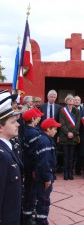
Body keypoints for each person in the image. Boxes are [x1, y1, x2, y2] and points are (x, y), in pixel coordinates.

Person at [0, 89, 22, 225]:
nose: (18, 124)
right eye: (13, 122)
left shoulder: (9, 147)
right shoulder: (1, 156)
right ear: (1, 128)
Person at [34, 118, 61, 225]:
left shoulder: (44, 139)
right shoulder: (45, 142)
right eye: (54, 129)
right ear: (48, 129)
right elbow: (45, 162)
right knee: (44, 201)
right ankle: (41, 221)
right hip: (44, 177)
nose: (56, 131)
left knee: (42, 199)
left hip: (41, 175)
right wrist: (47, 178)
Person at [22, 108, 43, 225]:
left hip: (29, 166)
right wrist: (36, 169)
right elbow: (35, 154)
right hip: (32, 168)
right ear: (33, 119)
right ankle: (27, 216)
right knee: (31, 191)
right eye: (37, 117)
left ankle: (29, 212)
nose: (39, 119)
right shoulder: (33, 133)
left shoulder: (30, 131)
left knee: (30, 190)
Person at [59, 94, 80, 180]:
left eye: (72, 99)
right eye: (69, 99)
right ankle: (66, 173)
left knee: (72, 156)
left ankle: (70, 173)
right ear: (66, 101)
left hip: (73, 137)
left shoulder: (77, 111)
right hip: (65, 136)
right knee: (66, 156)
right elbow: (62, 123)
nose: (71, 101)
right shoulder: (62, 110)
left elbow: (78, 123)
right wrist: (67, 132)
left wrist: (73, 132)